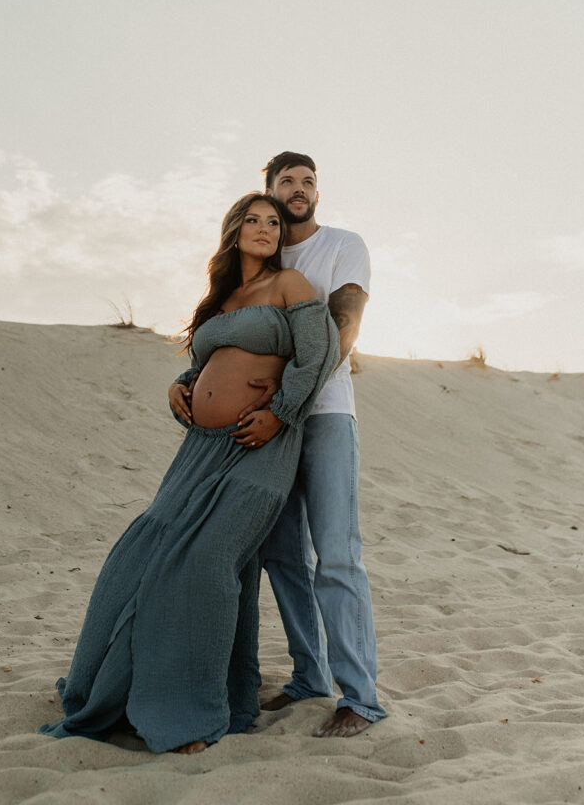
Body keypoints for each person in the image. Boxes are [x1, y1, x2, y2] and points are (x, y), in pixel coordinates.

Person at [39, 192, 339, 755]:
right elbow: (205, 364)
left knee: (205, 563)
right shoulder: (223, 298)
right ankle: (118, 690)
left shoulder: (289, 287)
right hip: (199, 449)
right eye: (252, 220)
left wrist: (280, 414)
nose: (265, 229)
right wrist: (180, 385)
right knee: (137, 557)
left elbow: (318, 355)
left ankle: (192, 711)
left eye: (274, 222)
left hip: (261, 446)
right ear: (232, 230)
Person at [252, 152, 386, 737]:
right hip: (269, 424)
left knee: (336, 556)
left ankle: (361, 698)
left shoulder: (343, 245)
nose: (299, 189)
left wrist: (289, 402)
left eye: (308, 181)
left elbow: (345, 325)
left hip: (325, 416)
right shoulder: (262, 254)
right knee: (283, 556)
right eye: (287, 181)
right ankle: (310, 676)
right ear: (270, 191)